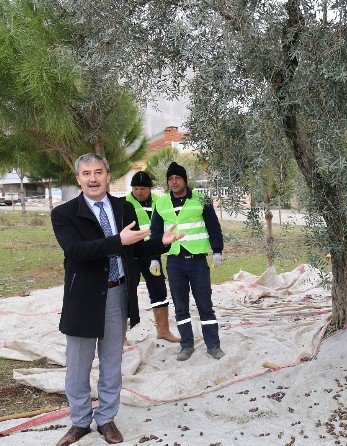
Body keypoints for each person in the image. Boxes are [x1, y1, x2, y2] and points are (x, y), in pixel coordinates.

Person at [51, 154, 183, 446]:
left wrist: (159, 244)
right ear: (78, 179)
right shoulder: (64, 214)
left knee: (111, 362)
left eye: (98, 172)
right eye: (86, 173)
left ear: (108, 175)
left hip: (117, 293)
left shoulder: (122, 207)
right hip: (84, 298)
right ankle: (80, 422)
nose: (93, 178)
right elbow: (77, 251)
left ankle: (107, 419)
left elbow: (130, 251)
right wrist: (118, 241)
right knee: (78, 365)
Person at [150, 161, 225, 361]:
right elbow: (156, 234)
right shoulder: (161, 203)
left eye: (178, 178)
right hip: (174, 262)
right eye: (171, 179)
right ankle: (186, 345)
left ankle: (213, 345)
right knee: (180, 306)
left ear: (185, 180)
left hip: (197, 262)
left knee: (204, 304)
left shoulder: (201, 200)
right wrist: (154, 258)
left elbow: (213, 227)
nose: (174, 182)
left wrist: (217, 250)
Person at [125, 171, 180, 343]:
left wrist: (156, 255)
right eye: (136, 188)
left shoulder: (160, 202)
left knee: (158, 289)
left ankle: (163, 331)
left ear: (150, 189)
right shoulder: (124, 203)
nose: (139, 192)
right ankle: (120, 336)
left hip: (152, 254)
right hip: (131, 255)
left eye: (142, 188)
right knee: (125, 293)